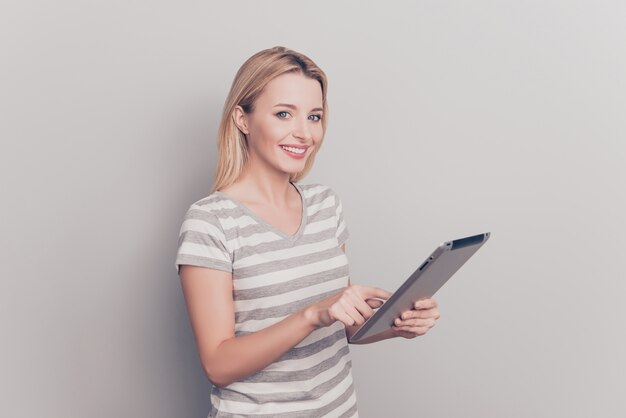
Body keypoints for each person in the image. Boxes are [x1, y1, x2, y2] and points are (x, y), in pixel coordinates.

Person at [175, 46, 441, 417]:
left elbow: (345, 327)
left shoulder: (324, 205)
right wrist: (312, 314)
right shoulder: (211, 221)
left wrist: (397, 324)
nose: (304, 133)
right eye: (284, 114)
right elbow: (218, 364)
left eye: (314, 117)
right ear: (243, 119)